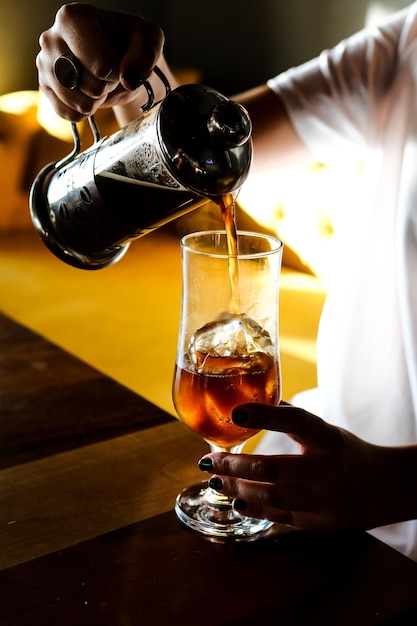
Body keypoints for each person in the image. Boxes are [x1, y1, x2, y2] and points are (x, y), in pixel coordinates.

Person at [37, 3, 417, 560]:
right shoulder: (404, 45)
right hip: (301, 480)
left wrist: (395, 482)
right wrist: (126, 81)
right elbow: (202, 152)